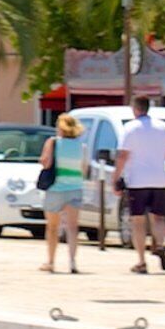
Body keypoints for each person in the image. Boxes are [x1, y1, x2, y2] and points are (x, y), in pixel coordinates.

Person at [116, 97, 165, 272]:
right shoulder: (163, 127)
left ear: (135, 109)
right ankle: (159, 245)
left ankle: (141, 261)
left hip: (137, 180)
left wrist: (116, 176)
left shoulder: (130, 128)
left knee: (138, 221)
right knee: (158, 217)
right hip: (159, 178)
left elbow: (123, 155)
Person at [38, 112, 93, 274]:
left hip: (56, 189)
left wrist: (42, 160)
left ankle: (51, 262)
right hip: (75, 188)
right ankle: (73, 262)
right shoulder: (81, 146)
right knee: (72, 227)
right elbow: (84, 169)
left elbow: (46, 163)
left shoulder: (53, 142)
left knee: (53, 227)